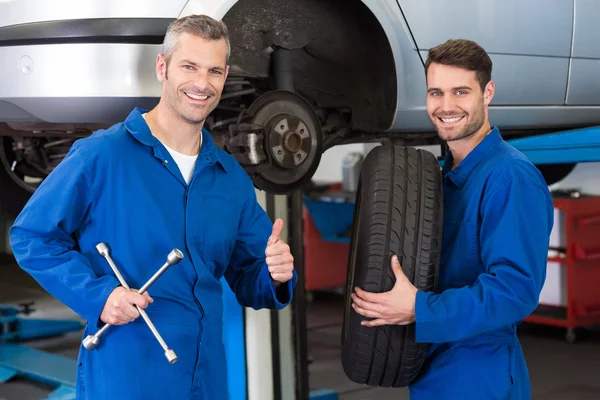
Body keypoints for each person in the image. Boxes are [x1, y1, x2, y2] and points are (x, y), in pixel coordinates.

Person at [9, 14, 297, 399]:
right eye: (189, 66)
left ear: (225, 76)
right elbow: (32, 237)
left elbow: (252, 279)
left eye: (214, 70)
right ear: (162, 67)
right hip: (126, 375)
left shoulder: (230, 178)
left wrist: (276, 274)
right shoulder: (102, 156)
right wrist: (100, 297)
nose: (201, 83)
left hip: (206, 377)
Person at [351, 39, 554, 399]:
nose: (446, 106)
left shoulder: (510, 177)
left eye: (460, 92)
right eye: (436, 93)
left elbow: (516, 290)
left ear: (487, 92)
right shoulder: (440, 179)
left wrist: (419, 308)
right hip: (430, 367)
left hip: (479, 372)